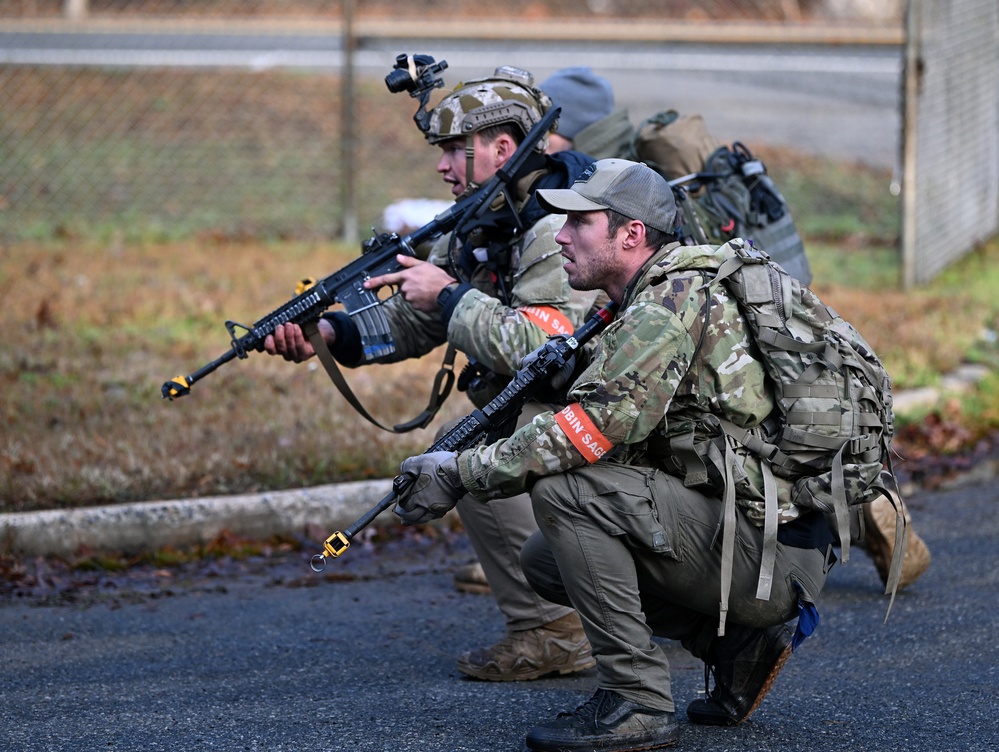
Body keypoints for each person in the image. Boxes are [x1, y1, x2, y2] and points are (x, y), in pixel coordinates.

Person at [392, 159, 840, 751]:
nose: (560, 236)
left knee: (568, 494)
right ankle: (731, 645)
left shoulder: (662, 309)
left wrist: (462, 472)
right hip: (766, 543)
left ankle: (636, 701)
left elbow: (586, 432)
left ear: (631, 234)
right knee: (547, 558)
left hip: (769, 558)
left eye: (580, 222)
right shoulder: (651, 296)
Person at [535, 65, 931, 593]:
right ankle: (845, 503)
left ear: (572, 129)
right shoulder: (603, 172)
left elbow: (617, 408)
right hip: (734, 374)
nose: (540, 145)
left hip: (731, 398)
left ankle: (852, 508)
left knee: (711, 437)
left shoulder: (617, 183)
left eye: (548, 131)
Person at [265, 65, 603, 683]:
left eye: (454, 149)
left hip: (617, 408)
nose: (442, 165)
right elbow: (418, 318)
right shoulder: (492, 214)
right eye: (440, 150)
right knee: (471, 443)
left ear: (503, 148)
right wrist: (332, 335)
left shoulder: (557, 225)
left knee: (471, 457)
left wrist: (449, 297)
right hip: (581, 402)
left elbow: (546, 347)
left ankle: (555, 633)